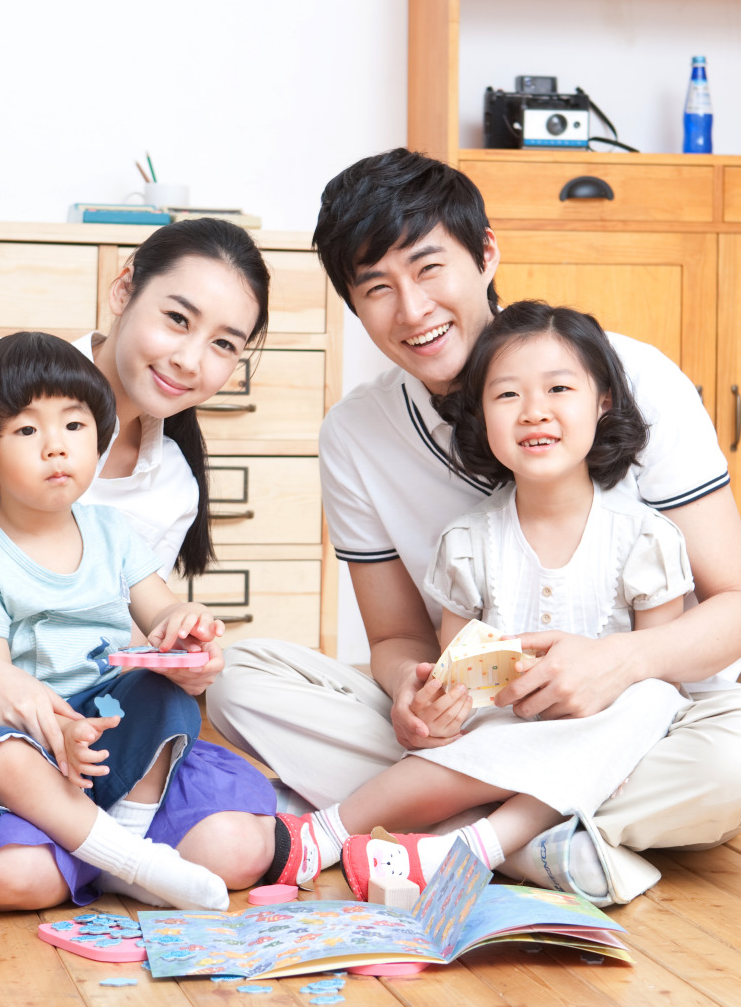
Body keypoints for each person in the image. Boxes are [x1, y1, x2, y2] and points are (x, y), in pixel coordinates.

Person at [208, 149, 741, 906]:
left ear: (486, 253)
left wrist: (617, 663)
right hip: (477, 721)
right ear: (354, 307)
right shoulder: (356, 434)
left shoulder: (629, 377)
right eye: (377, 288)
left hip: (650, 718)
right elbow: (396, 638)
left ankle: (449, 826)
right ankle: (544, 843)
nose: (413, 310)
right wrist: (412, 695)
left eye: (430, 268)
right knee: (235, 680)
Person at [0, 218, 295, 925]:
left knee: (236, 847)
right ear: (124, 289)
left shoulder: (168, 486)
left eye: (224, 344)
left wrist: (183, 655)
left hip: (79, 739)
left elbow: (127, 640)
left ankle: (112, 845)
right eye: (177, 318)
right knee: (20, 874)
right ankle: (112, 853)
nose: (190, 360)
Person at [279, 302, 694, 897]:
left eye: (559, 388)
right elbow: (462, 683)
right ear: (480, 415)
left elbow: (660, 666)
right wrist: (436, 710)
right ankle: (326, 837)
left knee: (651, 698)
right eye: (507, 395)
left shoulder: (645, 537)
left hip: (607, 731)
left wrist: (606, 716)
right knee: (490, 737)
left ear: (603, 401)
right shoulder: (468, 543)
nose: (534, 411)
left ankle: (459, 843)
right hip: (500, 728)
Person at [0, 330, 251, 910]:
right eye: (27, 431)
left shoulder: (111, 532)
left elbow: (159, 608)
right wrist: (57, 733)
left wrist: (186, 623)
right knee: (11, 756)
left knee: (163, 693)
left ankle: (127, 839)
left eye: (74, 425)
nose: (56, 447)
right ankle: (131, 860)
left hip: (92, 720)